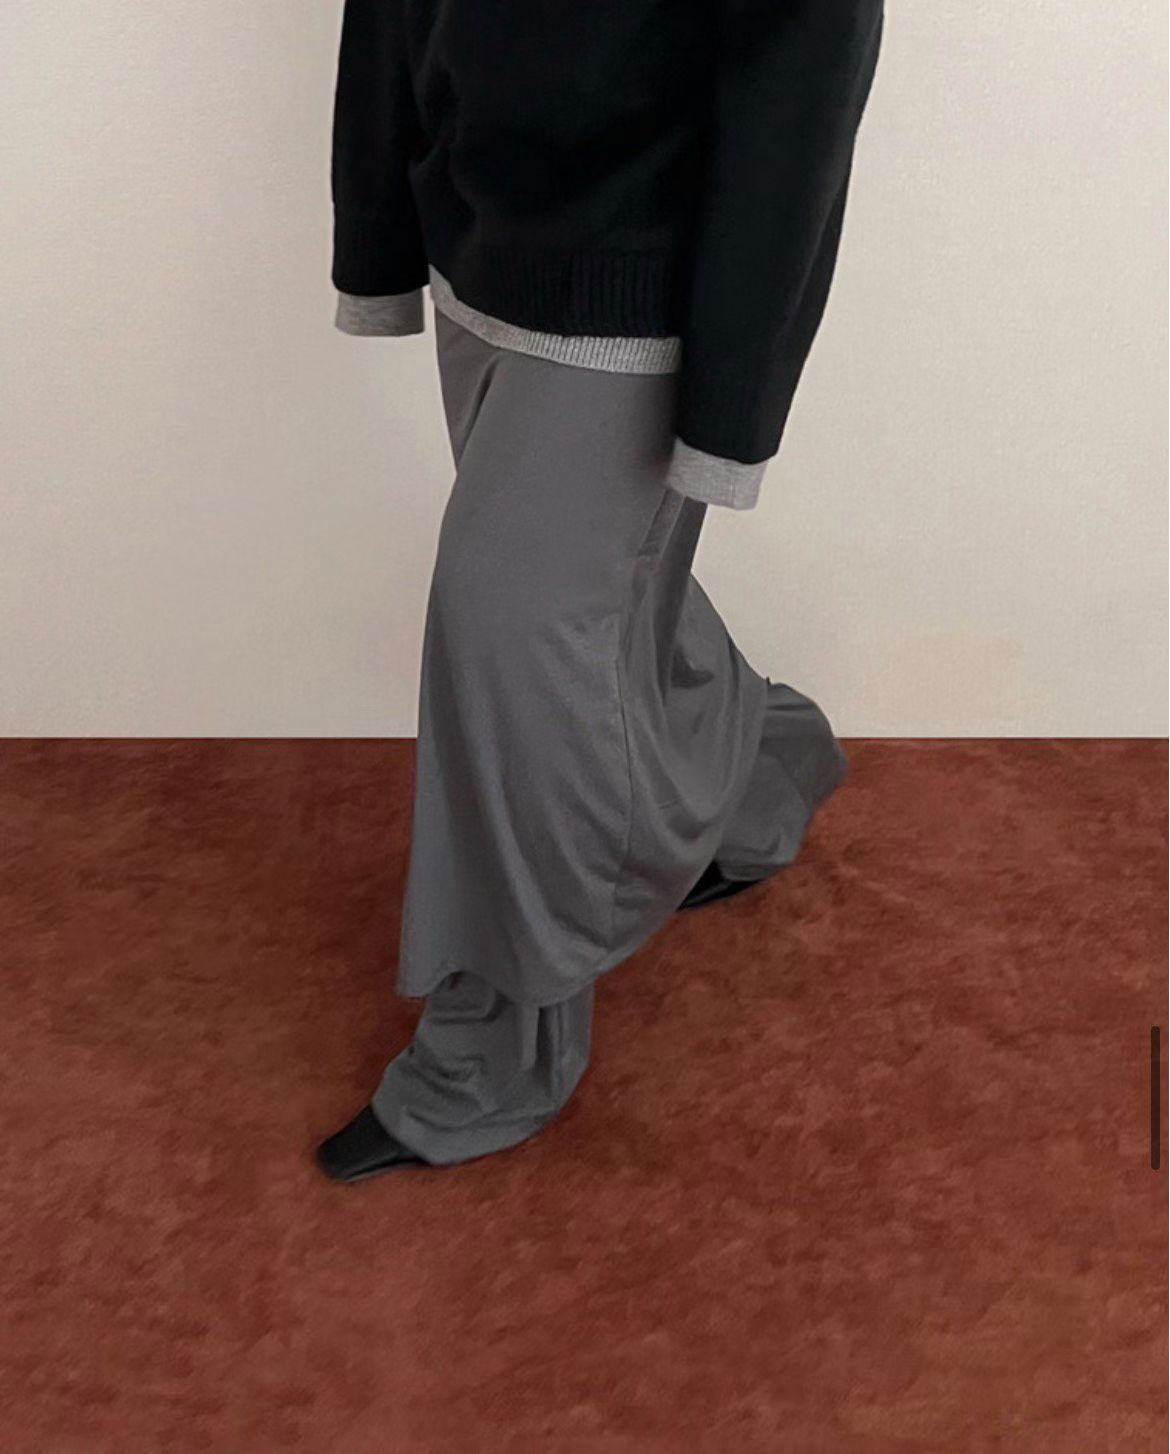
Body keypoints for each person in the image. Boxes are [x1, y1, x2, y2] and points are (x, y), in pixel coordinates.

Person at [315, 0, 883, 1181]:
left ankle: (493, 1056)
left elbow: (803, 90)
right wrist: (379, 231)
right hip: (475, 234)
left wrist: (734, 405)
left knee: (510, 639)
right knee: (581, 607)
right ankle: (760, 769)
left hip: (645, 275)